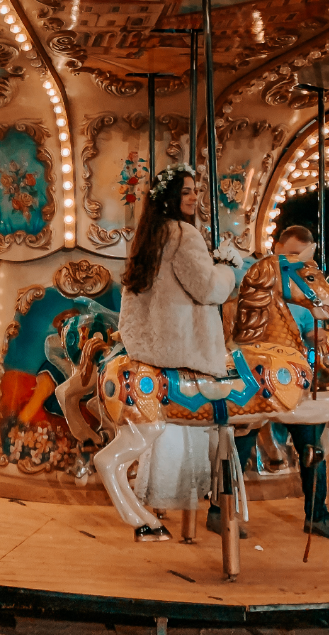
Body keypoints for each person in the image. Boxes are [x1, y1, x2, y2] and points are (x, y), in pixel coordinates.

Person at [207, 225, 329, 542]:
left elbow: (307, 328)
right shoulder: (252, 272)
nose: (296, 261)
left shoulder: (302, 285)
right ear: (275, 248)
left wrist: (323, 333)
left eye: (301, 256)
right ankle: (219, 510)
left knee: (311, 443)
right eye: (291, 254)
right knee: (238, 445)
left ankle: (317, 515)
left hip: (289, 377)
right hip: (255, 375)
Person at [119, 165, 239, 519]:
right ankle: (217, 503)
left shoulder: (148, 236)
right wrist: (226, 267)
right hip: (186, 349)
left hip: (153, 348)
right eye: (186, 191)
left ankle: (161, 500)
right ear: (170, 198)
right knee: (226, 416)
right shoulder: (185, 234)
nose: (194, 197)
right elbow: (208, 289)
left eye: (195, 191)